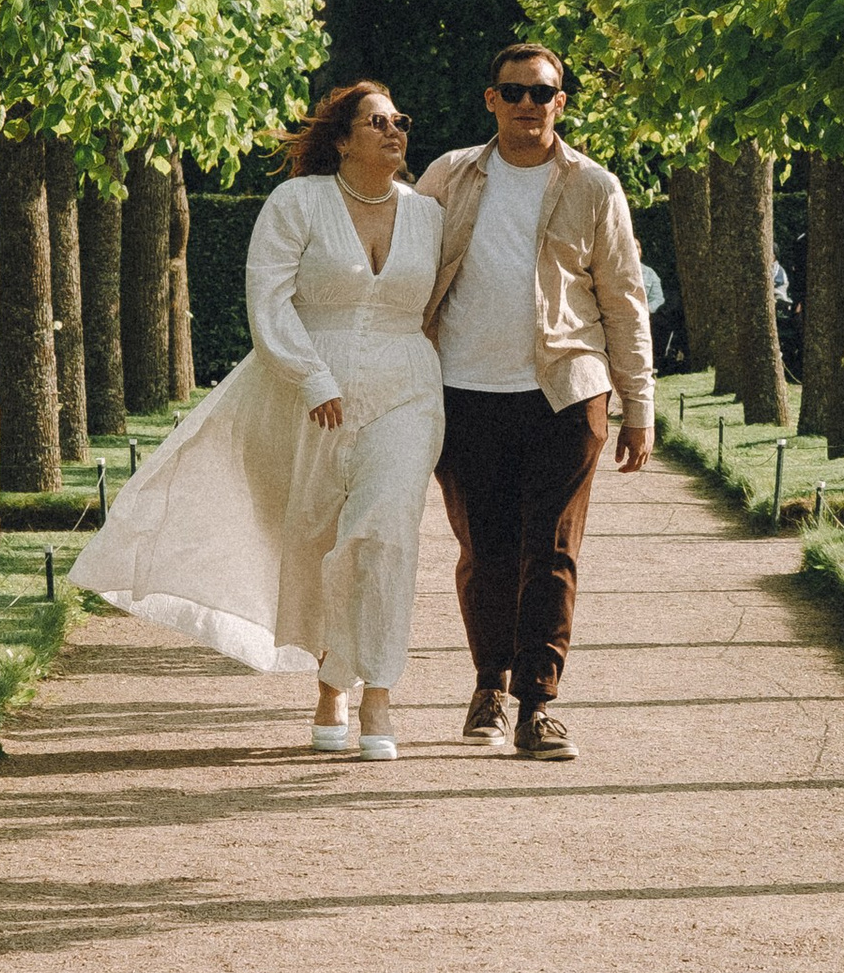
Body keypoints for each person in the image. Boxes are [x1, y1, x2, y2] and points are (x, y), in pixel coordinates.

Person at [72, 83, 443, 757]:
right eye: (377, 122)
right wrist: (312, 378)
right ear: (342, 139)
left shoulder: (428, 215)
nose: (394, 131)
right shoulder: (297, 202)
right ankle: (330, 681)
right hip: (310, 394)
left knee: (385, 533)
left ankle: (379, 694)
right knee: (316, 536)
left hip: (408, 392)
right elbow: (267, 298)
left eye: (400, 120)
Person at [416, 43, 654, 762]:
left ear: (561, 102)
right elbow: (402, 269)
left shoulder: (595, 186)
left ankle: (538, 706)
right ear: (491, 99)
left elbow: (624, 299)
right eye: (514, 91)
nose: (529, 104)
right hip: (463, 393)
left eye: (542, 92)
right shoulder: (448, 176)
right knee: (483, 550)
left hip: (566, 394)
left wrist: (638, 406)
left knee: (551, 552)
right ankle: (489, 685)